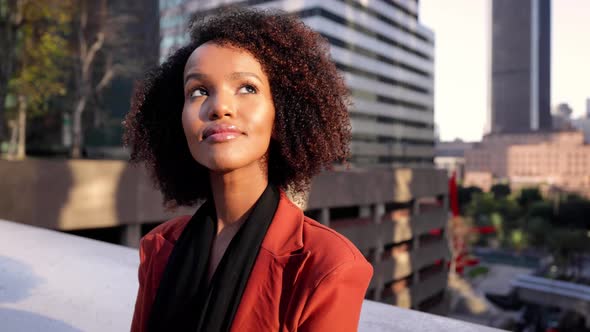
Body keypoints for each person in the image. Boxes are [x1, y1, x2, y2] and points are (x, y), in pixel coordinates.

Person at [124, 7, 373, 332]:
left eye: (247, 88)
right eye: (198, 91)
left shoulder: (326, 265)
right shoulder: (159, 247)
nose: (220, 107)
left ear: (281, 110)